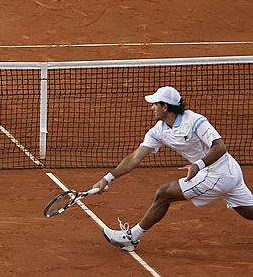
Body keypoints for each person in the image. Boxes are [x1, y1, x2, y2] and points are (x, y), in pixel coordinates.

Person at [92, 86, 253, 252]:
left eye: (155, 104)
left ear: (165, 107)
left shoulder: (195, 121)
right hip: (227, 172)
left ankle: (131, 237)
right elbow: (135, 157)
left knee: (164, 194)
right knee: (249, 212)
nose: (151, 107)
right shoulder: (158, 131)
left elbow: (220, 147)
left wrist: (197, 165)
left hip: (217, 174)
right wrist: (107, 178)